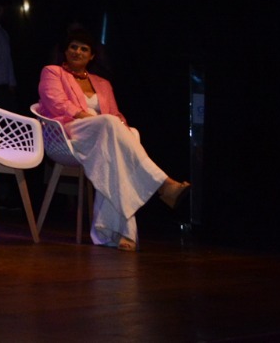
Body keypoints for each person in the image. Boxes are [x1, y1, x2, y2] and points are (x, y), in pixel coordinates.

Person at [37, 28, 189, 251]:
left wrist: (122, 130)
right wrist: (90, 118)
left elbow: (116, 115)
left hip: (102, 138)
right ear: (66, 50)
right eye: (73, 47)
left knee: (129, 135)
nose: (77, 51)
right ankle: (163, 184)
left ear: (92, 56)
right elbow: (56, 103)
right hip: (69, 134)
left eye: (84, 48)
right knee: (108, 124)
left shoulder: (103, 83)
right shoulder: (52, 72)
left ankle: (111, 233)